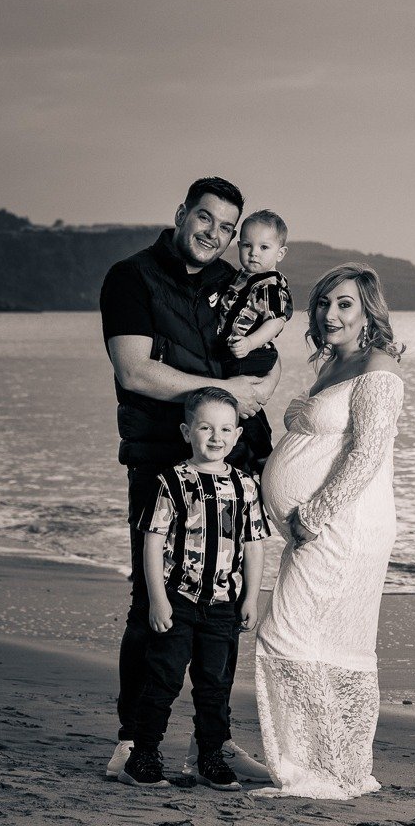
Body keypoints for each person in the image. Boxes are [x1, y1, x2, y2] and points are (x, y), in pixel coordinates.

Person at [99, 176, 275, 782]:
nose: (216, 234)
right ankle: (131, 745)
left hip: (234, 466)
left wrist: (251, 393)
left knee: (223, 607)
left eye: (229, 228)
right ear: (181, 213)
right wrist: (229, 390)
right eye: (206, 218)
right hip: (159, 462)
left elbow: (263, 372)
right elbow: (135, 371)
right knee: (150, 601)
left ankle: (213, 746)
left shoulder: (237, 286)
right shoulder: (132, 277)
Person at [253, 263, 405, 799]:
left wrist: (315, 513)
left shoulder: (377, 366)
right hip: (317, 528)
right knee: (323, 644)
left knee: (287, 636)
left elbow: (369, 452)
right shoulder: (335, 366)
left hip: (343, 527)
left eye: (344, 304)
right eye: (323, 303)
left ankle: (315, 770)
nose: (329, 313)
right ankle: (333, 765)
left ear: (368, 312)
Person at [118, 388, 267, 790]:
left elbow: (254, 545)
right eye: (205, 427)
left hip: (223, 605)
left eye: (224, 429)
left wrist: (251, 597)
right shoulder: (172, 481)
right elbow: (152, 542)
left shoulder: (246, 488)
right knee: (162, 679)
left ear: (237, 435)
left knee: (215, 686)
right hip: (178, 600)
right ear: (188, 432)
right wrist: (157, 600)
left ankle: (210, 757)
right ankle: (143, 755)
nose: (215, 437)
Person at [216, 208, 294, 475]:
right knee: (231, 400)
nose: (254, 253)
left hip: (254, 352)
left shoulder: (271, 285)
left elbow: (276, 321)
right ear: (238, 246)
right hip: (236, 349)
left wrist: (250, 342)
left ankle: (261, 454)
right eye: (247, 245)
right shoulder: (240, 277)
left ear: (279, 254)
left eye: (263, 247)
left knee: (243, 404)